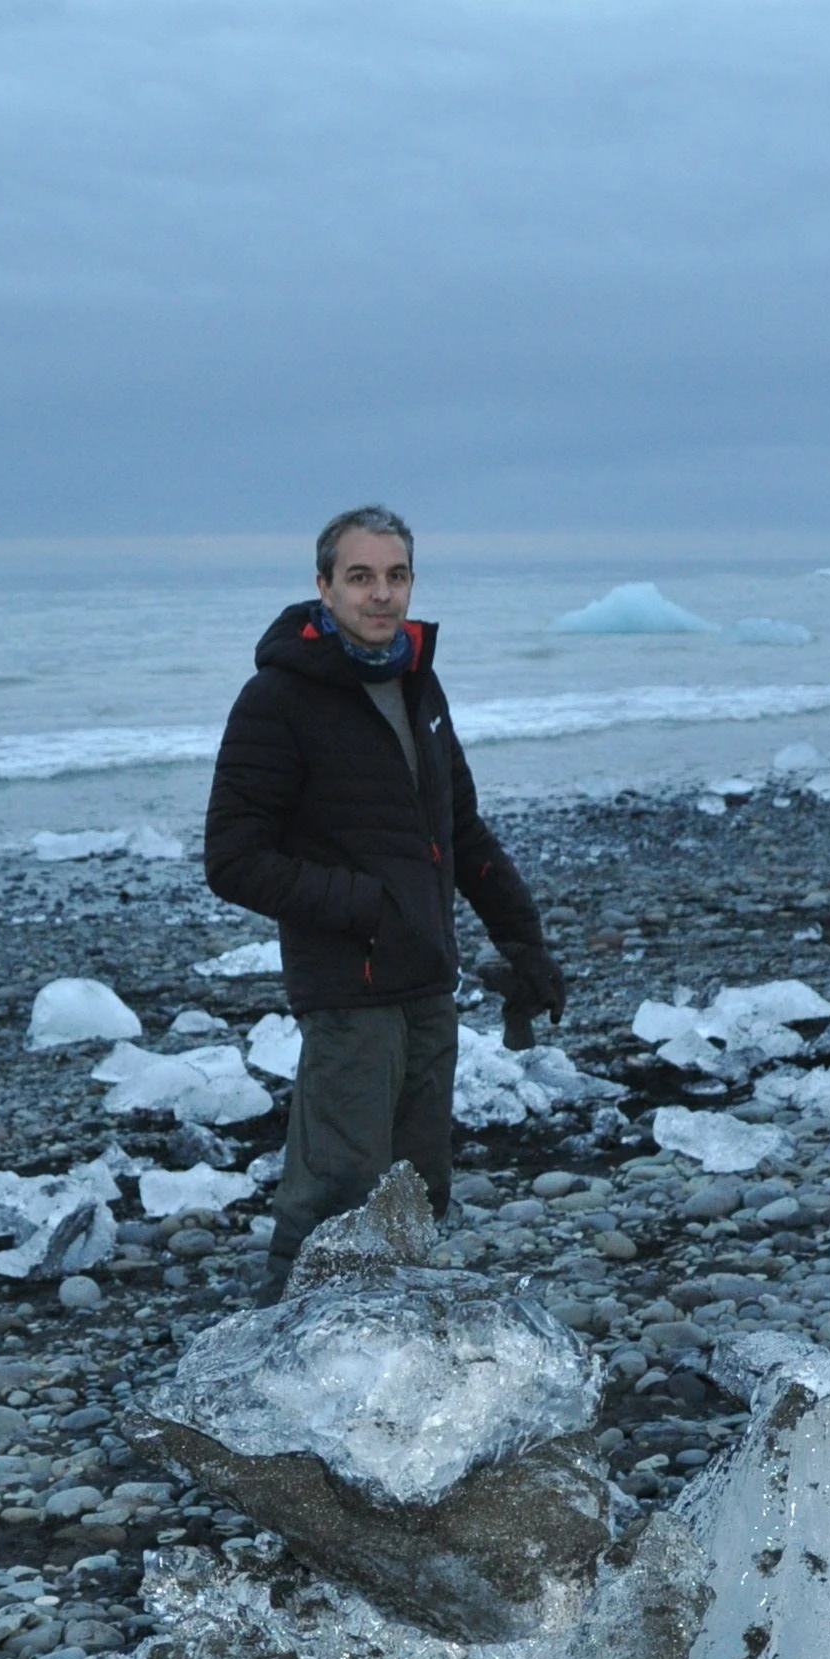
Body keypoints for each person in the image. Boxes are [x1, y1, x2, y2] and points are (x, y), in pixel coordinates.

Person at [204, 505, 565, 1298]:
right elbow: (232, 860)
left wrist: (524, 944)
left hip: (427, 984)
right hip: (349, 994)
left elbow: (461, 831)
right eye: (360, 577)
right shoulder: (278, 700)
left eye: (396, 576)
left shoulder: (415, 681)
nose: (381, 595)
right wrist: (367, 907)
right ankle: (280, 1364)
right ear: (324, 586)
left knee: (417, 1192)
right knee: (334, 1196)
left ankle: (397, 1364)